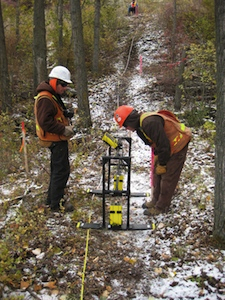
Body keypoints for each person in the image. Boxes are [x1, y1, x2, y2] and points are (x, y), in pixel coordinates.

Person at [114, 105, 192, 216]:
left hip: (178, 144)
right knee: (156, 173)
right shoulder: (140, 126)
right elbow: (156, 143)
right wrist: (158, 161)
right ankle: (155, 200)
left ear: (130, 121)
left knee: (167, 178)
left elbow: (164, 145)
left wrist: (163, 163)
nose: (127, 129)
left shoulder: (149, 123)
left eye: (126, 126)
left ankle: (161, 207)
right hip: (165, 147)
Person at [34, 66, 75, 212]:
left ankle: (52, 199)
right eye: (63, 85)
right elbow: (45, 121)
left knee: (58, 170)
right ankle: (55, 204)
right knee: (61, 171)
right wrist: (63, 129)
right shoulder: (45, 98)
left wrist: (65, 113)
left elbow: (54, 114)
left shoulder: (52, 95)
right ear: (54, 82)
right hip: (55, 139)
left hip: (57, 139)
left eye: (66, 85)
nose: (64, 88)